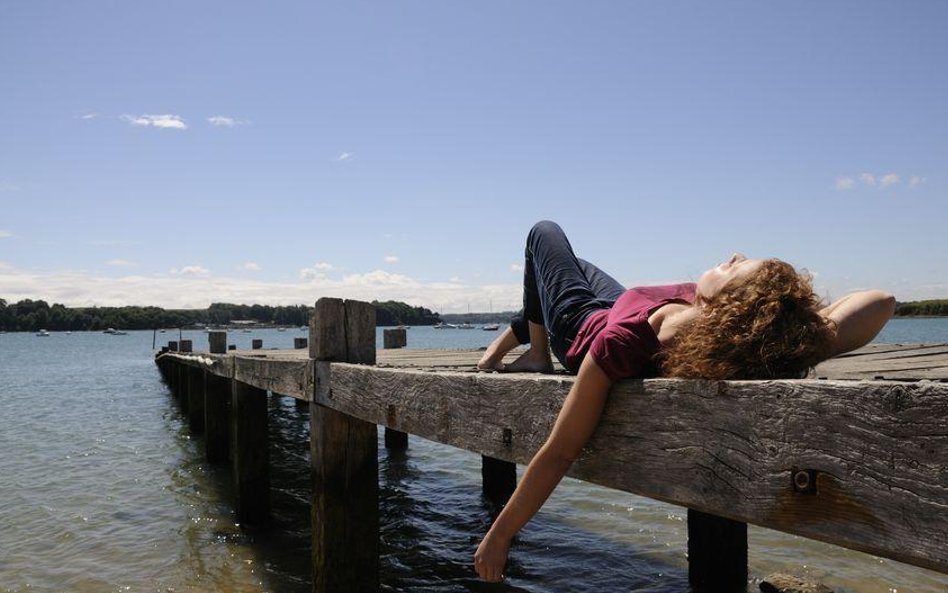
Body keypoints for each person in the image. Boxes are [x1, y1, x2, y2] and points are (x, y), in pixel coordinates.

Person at [473, 220, 895, 583]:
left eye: (736, 267)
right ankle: (506, 345)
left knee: (543, 233)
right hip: (622, 303)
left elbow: (561, 450)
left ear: (724, 307)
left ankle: (537, 353)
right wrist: (805, 330)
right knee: (571, 265)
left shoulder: (622, 342)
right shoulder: (747, 340)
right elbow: (881, 300)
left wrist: (501, 533)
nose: (732, 254)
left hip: (581, 323)